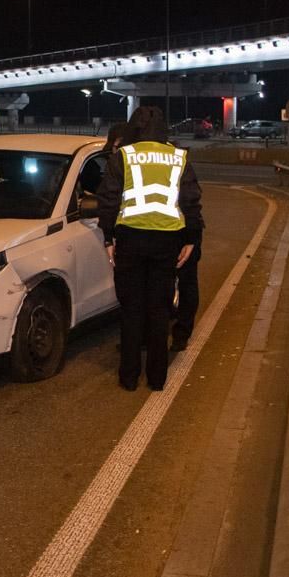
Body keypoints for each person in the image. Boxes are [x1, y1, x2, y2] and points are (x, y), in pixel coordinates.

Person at [97, 106, 203, 391]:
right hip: (167, 241)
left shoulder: (123, 156)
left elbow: (108, 199)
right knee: (160, 310)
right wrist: (191, 239)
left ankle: (129, 377)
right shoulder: (178, 157)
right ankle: (157, 378)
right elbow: (190, 200)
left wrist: (108, 238)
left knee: (131, 309)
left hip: (130, 239)